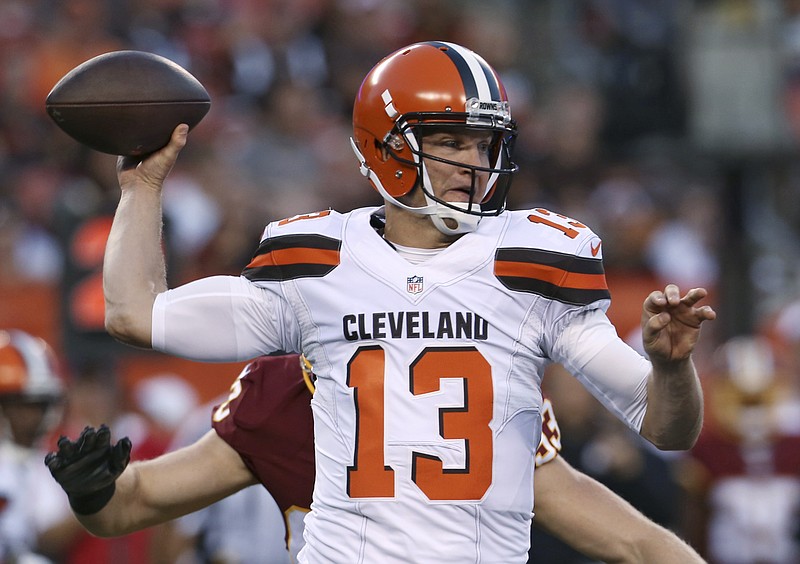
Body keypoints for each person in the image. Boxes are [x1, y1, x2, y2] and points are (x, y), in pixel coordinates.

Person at [99, 41, 715, 562]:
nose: (474, 164)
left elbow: (668, 428)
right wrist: (143, 187)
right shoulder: (317, 260)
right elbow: (136, 312)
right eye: (451, 142)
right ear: (388, 146)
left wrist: (670, 367)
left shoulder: (534, 258)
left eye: (483, 144)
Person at [46, 354, 704, 563]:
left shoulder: (481, 393)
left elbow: (638, 542)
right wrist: (93, 491)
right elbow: (131, 507)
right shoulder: (283, 399)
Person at [0, 330, 80, 562]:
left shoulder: (45, 465)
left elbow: (45, 539)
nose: (36, 417)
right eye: (25, 405)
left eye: (42, 405)